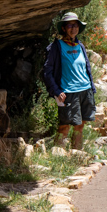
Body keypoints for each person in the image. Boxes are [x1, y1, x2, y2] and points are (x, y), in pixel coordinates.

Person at [42, 12, 97, 150]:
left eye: (76, 25)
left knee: (80, 126)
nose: (74, 28)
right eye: (70, 25)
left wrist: (92, 88)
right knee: (64, 126)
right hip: (67, 93)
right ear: (64, 28)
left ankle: (77, 155)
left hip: (85, 90)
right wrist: (56, 91)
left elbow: (87, 68)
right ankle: (57, 156)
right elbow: (47, 72)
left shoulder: (80, 46)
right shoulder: (57, 46)